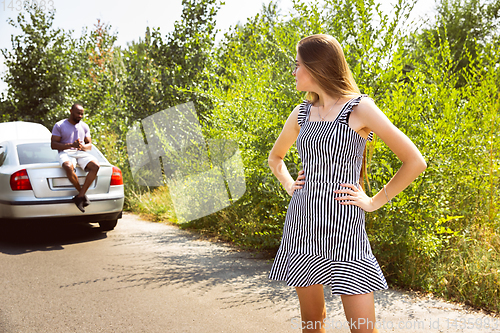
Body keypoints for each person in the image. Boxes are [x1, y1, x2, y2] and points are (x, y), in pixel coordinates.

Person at [267, 34, 427, 333]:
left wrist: (373, 201)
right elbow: (276, 157)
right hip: (302, 224)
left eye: (298, 64)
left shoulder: (359, 108)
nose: (294, 71)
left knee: (363, 329)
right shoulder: (302, 112)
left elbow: (415, 161)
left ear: (316, 68)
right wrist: (290, 184)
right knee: (312, 325)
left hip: (345, 226)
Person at [51, 103, 100, 213]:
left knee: (96, 165)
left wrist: (82, 146)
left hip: (80, 152)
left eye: (82, 114)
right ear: (71, 111)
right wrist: (71, 145)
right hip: (65, 152)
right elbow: (53, 145)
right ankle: (82, 195)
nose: (80, 116)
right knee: (68, 166)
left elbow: (90, 145)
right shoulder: (59, 125)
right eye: (78, 113)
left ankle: (80, 196)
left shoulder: (84, 126)